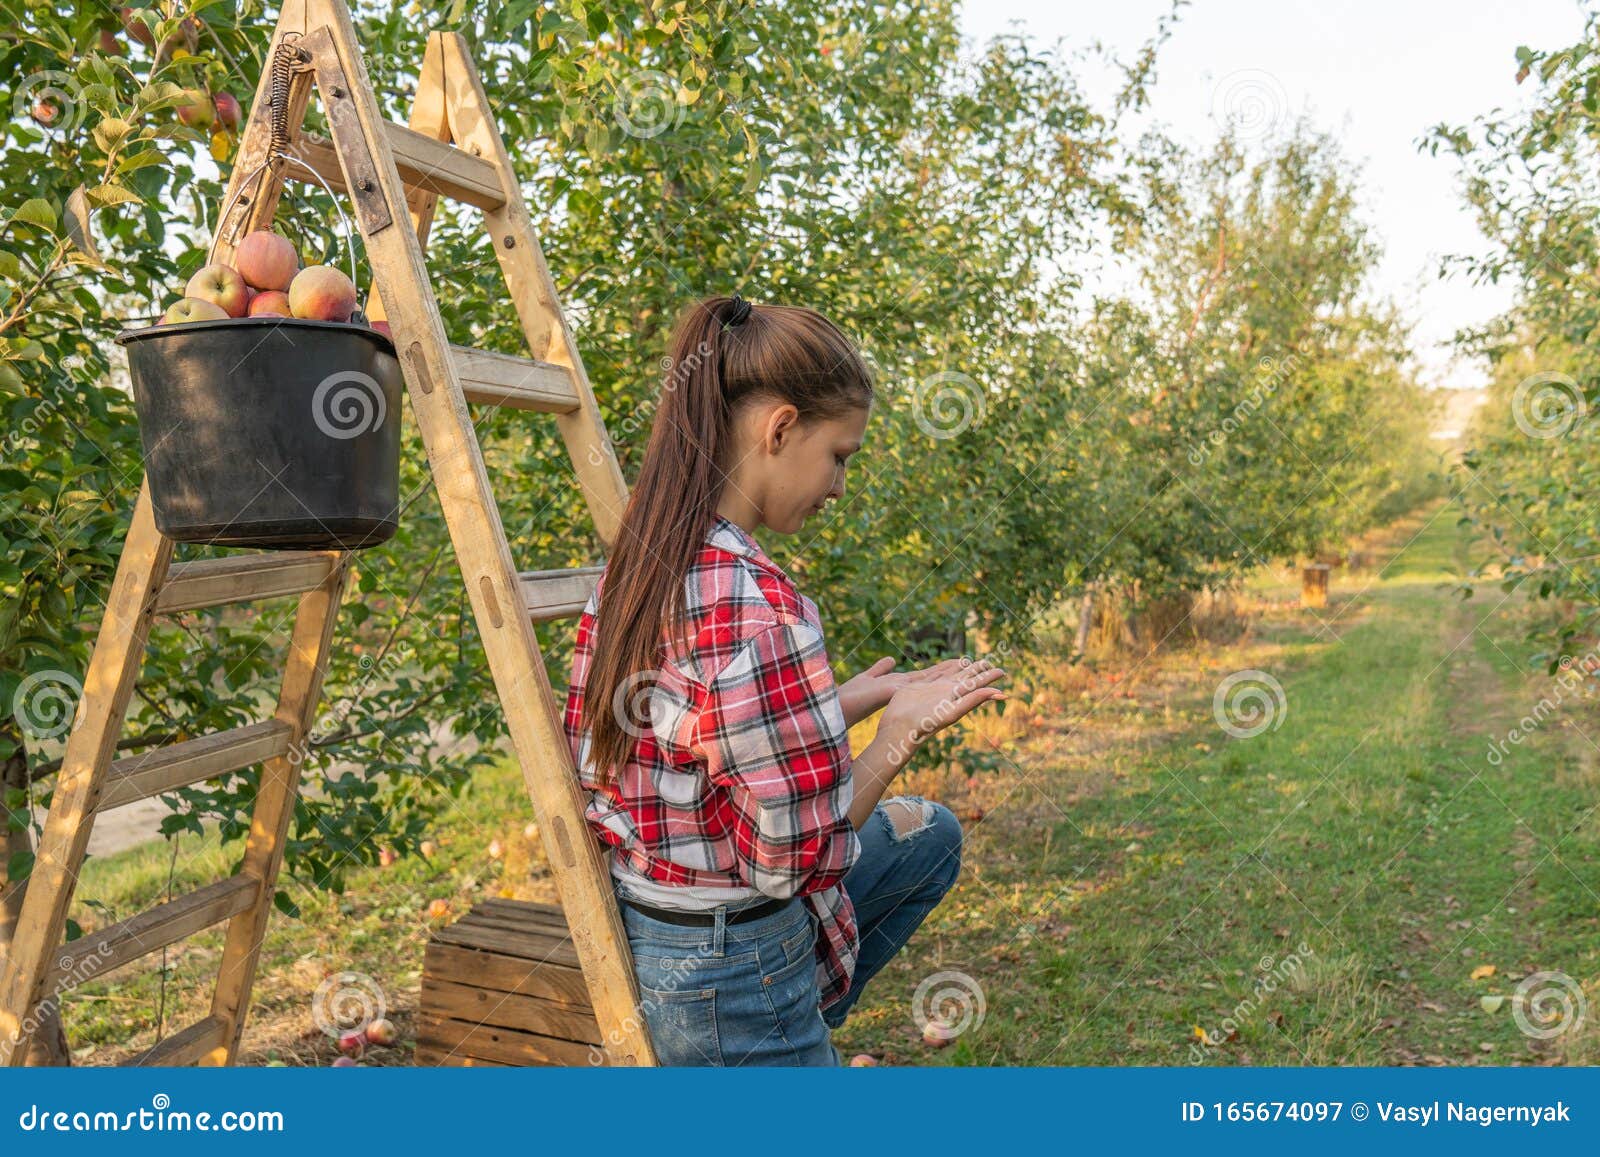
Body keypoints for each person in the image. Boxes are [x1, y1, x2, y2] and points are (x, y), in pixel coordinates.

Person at [561, 293, 1008, 1066]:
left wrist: (851, 702)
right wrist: (898, 733)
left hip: (656, 920)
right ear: (780, 428)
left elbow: (697, 740)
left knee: (928, 836)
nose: (839, 486)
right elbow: (789, 866)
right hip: (731, 970)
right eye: (839, 456)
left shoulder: (642, 561)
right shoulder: (763, 608)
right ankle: (783, 1037)